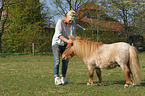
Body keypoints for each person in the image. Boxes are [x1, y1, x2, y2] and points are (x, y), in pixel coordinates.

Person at [52, 10, 77, 85]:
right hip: (57, 43)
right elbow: (59, 35)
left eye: (72, 21)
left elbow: (73, 36)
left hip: (66, 45)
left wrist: (72, 43)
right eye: (69, 21)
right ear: (66, 17)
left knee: (65, 60)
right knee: (57, 60)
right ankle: (56, 78)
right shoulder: (60, 22)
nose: (70, 23)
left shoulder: (73, 24)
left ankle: (63, 78)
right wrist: (67, 40)